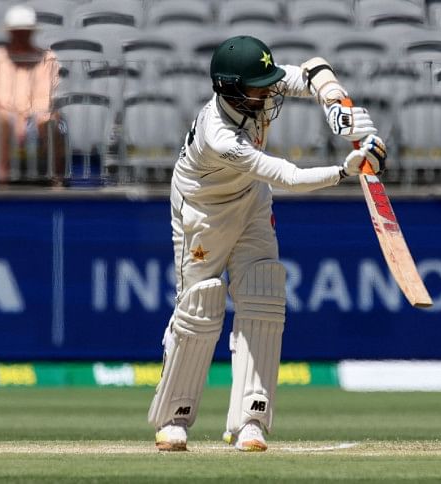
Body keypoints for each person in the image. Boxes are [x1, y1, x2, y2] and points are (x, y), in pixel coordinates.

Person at [147, 36, 386, 452]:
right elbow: (289, 177)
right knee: (199, 306)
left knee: (263, 295)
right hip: (203, 212)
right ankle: (174, 418)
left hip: (252, 200)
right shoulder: (219, 135)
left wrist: (337, 106)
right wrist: (344, 171)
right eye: (257, 87)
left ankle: (250, 420)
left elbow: (314, 69)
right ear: (231, 89)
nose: (268, 92)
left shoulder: (257, 89)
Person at [0, 4, 62, 184]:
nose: (21, 35)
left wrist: (27, 119)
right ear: (10, 33)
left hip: (37, 117)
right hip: (3, 117)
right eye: (17, 31)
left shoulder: (47, 58)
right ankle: (2, 179)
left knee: (51, 121)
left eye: (25, 31)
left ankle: (57, 181)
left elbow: (46, 99)